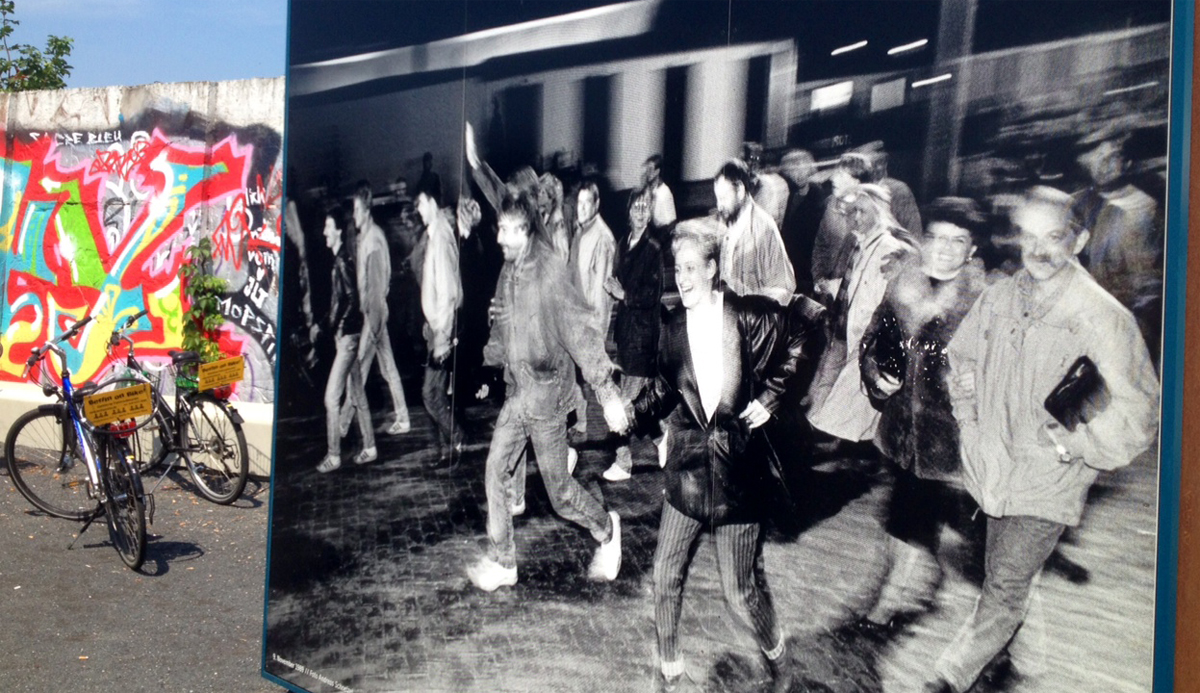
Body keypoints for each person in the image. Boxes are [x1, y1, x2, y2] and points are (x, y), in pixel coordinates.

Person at [921, 187, 1159, 693]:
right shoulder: (1003, 293)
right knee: (1004, 574)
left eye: (1055, 237)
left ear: (1080, 241)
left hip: (1049, 476)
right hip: (993, 465)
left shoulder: (1103, 316)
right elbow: (960, 359)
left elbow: (1142, 410)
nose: (1040, 251)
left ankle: (946, 679)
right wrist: (967, 404)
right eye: (1029, 237)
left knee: (1005, 583)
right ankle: (1030, 664)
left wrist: (1077, 446)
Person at [629, 229, 803, 693]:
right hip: (687, 471)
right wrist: (631, 414)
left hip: (736, 473)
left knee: (739, 591)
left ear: (711, 269)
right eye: (676, 269)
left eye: (690, 268)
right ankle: (670, 670)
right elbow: (667, 387)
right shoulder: (672, 328)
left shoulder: (746, 316)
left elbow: (805, 328)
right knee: (664, 575)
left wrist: (772, 395)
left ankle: (777, 654)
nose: (681, 279)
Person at [466, 191, 629, 592]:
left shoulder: (551, 273)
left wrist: (606, 394)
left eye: (505, 229)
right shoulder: (510, 273)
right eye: (499, 227)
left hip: (548, 395)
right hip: (519, 390)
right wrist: (487, 366)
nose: (499, 236)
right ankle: (504, 561)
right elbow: (503, 326)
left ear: (524, 231)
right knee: (494, 468)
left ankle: (607, 530)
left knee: (559, 494)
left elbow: (581, 334)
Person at [853, 198, 988, 637]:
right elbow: (872, 338)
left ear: (971, 250)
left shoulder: (983, 304)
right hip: (900, 432)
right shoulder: (903, 286)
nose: (945, 250)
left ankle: (889, 601)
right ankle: (933, 583)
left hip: (949, 439)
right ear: (924, 239)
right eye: (937, 238)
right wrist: (875, 373)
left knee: (908, 516)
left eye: (958, 241)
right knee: (916, 515)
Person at [806, 183, 913, 447]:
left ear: (880, 212)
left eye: (862, 212)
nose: (856, 218)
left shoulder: (889, 248)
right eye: (852, 212)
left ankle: (842, 447)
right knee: (834, 391)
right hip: (844, 327)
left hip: (865, 335)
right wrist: (831, 286)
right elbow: (856, 283)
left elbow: (883, 296)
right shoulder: (861, 243)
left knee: (851, 398)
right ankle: (833, 439)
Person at [1069, 124, 1162, 360]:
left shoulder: (1142, 208)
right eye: (1096, 157)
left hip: (1120, 322)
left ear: (1126, 162)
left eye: (1112, 157)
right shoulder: (1076, 203)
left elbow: (1145, 280)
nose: (1104, 165)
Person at [339, 181, 411, 437]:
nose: (354, 215)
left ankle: (343, 423)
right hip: (373, 314)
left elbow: (379, 283)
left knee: (358, 366)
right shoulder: (366, 238)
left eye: (357, 210)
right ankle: (403, 418)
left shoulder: (374, 240)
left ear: (366, 210)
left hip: (374, 315)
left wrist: (374, 318)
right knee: (387, 368)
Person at [601, 187, 663, 482]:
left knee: (624, 402)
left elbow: (653, 294)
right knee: (638, 397)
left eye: (645, 207)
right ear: (628, 212)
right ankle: (664, 439)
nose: (641, 212)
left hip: (643, 334)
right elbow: (617, 279)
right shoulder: (624, 242)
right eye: (636, 207)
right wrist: (611, 285)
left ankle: (623, 462)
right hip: (626, 332)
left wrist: (622, 293)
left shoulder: (652, 248)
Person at [315, 206, 377, 473]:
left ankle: (334, 454)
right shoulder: (341, 258)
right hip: (348, 334)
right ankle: (371, 447)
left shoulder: (341, 261)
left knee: (331, 398)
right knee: (358, 394)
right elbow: (341, 301)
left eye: (328, 227)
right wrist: (324, 324)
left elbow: (352, 300)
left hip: (348, 338)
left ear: (338, 231)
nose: (324, 232)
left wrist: (338, 327)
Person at [414, 179, 464, 463]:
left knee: (430, 393)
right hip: (437, 328)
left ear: (432, 202)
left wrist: (441, 336)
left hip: (443, 330)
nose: (419, 210)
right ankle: (449, 449)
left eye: (421, 203)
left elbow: (448, 292)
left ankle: (457, 440)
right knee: (435, 393)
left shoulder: (442, 236)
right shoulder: (437, 234)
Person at [712, 159, 796, 307]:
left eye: (724, 198)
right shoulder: (723, 222)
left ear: (740, 191)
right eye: (717, 199)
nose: (719, 206)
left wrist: (753, 309)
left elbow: (783, 288)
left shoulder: (764, 228)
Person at [778, 149, 826, 295]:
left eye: (802, 170)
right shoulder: (788, 193)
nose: (797, 175)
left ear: (810, 170)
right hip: (786, 266)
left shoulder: (818, 196)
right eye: (793, 171)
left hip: (805, 270)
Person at [642, 154, 677, 235]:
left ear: (657, 172)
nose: (647, 173)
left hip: (662, 233)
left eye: (650, 169)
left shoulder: (665, 192)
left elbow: (671, 222)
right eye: (646, 170)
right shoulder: (648, 189)